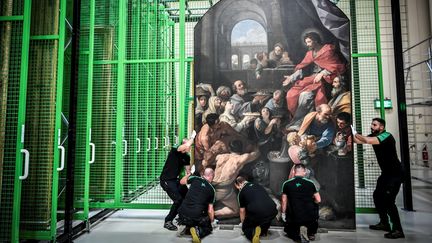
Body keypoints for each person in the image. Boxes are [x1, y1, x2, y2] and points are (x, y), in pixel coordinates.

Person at [351, 118, 405, 239]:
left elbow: (365, 139)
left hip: (395, 174)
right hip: (386, 174)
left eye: (374, 125)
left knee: (389, 201)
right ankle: (384, 223)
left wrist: (354, 132)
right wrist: (349, 134)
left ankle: (398, 230)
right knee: (377, 196)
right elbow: (358, 141)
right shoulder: (374, 136)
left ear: (381, 127)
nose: (372, 126)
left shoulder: (386, 135)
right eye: (371, 124)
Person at [282, 31, 346, 118]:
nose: (307, 44)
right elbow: (303, 68)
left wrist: (322, 73)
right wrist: (291, 77)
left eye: (309, 42)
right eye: (306, 42)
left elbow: (337, 66)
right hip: (310, 79)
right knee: (291, 94)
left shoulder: (327, 50)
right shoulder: (309, 54)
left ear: (315, 40)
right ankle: (298, 120)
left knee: (305, 95)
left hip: (325, 81)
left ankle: (302, 120)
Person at [159, 137, 193, 231]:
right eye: (188, 146)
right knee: (178, 200)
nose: (189, 147)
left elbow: (188, 171)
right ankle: (168, 221)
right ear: (183, 146)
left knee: (188, 196)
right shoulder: (175, 150)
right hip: (166, 180)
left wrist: (191, 174)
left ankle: (184, 218)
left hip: (175, 180)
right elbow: (186, 145)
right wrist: (192, 138)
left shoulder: (186, 156)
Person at [281, 164, 321, 242]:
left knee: (289, 232)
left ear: (293, 171)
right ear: (305, 172)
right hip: (309, 217)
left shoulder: (286, 183)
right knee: (314, 204)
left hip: (295, 217)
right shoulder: (311, 183)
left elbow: (284, 201)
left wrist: (283, 213)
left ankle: (297, 232)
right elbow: (318, 200)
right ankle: (310, 232)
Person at [234, 176, 277, 243]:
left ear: (238, 184)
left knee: (246, 228)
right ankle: (263, 231)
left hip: (257, 212)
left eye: (236, 187)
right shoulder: (258, 185)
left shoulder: (241, 192)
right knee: (265, 218)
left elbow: (242, 211)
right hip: (273, 210)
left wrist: (243, 223)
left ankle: (253, 234)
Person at [177, 168, 216, 243]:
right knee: (207, 227)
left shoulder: (195, 178)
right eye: (213, 177)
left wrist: (188, 175)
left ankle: (188, 227)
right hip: (195, 215)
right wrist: (212, 221)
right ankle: (198, 231)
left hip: (182, 213)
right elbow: (210, 210)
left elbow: (181, 182)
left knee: (191, 216)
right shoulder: (212, 190)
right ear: (211, 176)